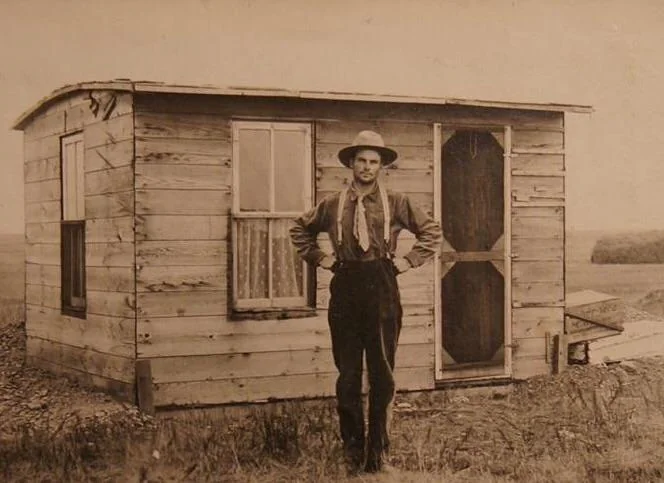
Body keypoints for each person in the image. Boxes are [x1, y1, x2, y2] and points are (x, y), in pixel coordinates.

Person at [289, 130, 442, 473]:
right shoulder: (331, 204)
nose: (367, 167)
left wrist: (406, 262)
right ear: (351, 163)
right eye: (362, 160)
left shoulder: (398, 201)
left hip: (382, 284)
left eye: (374, 162)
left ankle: (379, 457)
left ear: (382, 166)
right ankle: (352, 455)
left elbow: (431, 232)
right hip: (345, 284)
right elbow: (299, 230)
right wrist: (322, 259)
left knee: (382, 373)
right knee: (348, 374)